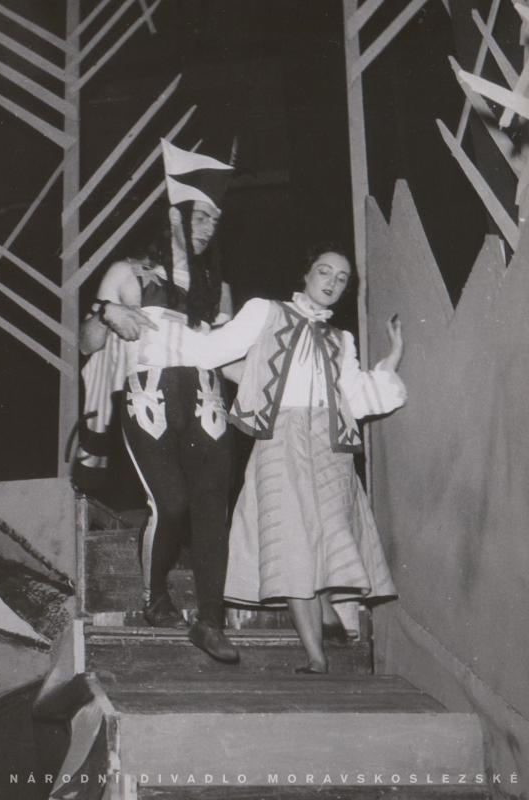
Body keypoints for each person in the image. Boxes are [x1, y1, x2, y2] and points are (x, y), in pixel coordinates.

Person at [137, 244, 406, 674]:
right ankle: (316, 656)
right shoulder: (265, 312)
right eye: (325, 271)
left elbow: (354, 398)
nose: (332, 283)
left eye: (341, 279)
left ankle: (325, 608)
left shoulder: (342, 339)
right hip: (281, 438)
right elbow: (214, 351)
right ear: (306, 273)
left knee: (329, 533)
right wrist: (154, 331)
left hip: (330, 445)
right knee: (290, 541)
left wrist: (392, 358)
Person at [78, 139, 240, 664]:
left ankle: (211, 620)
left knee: (212, 506)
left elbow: (231, 361)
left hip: (206, 397)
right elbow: (87, 344)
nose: (208, 227)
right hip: (149, 395)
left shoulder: (217, 288)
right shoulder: (128, 272)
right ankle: (155, 598)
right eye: (200, 216)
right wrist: (106, 312)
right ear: (174, 216)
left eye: (215, 220)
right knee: (171, 504)